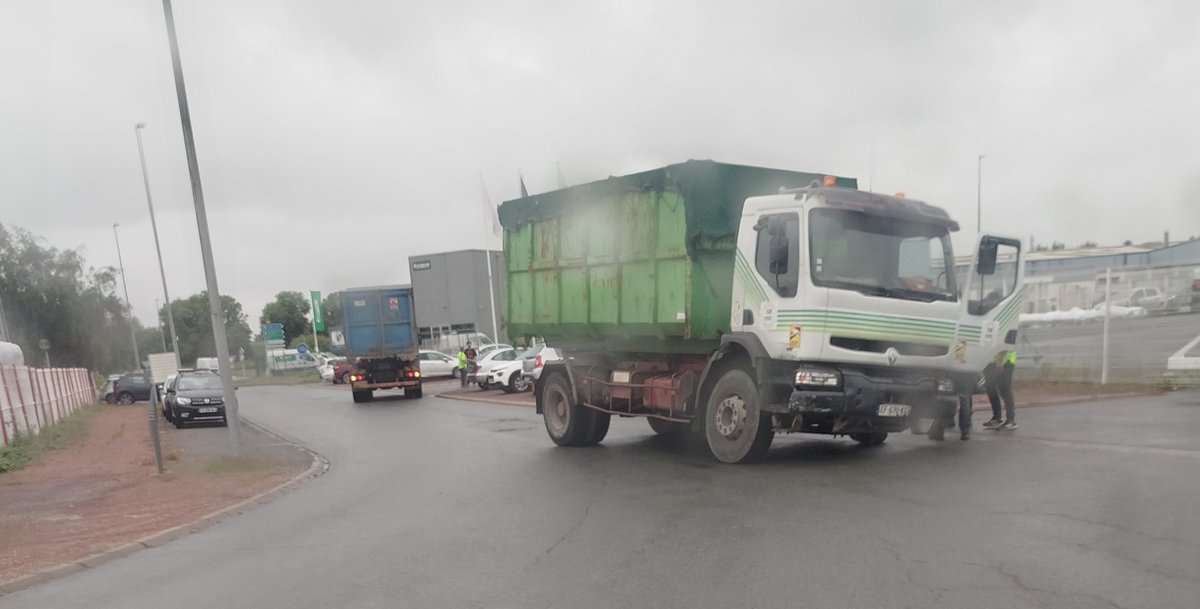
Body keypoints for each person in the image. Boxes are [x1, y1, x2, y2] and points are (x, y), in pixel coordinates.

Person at [983, 349, 1018, 430]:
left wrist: (1000, 361)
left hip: (1006, 361)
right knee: (990, 388)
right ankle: (997, 417)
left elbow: (1006, 343)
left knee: (1004, 389)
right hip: (990, 361)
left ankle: (1011, 419)